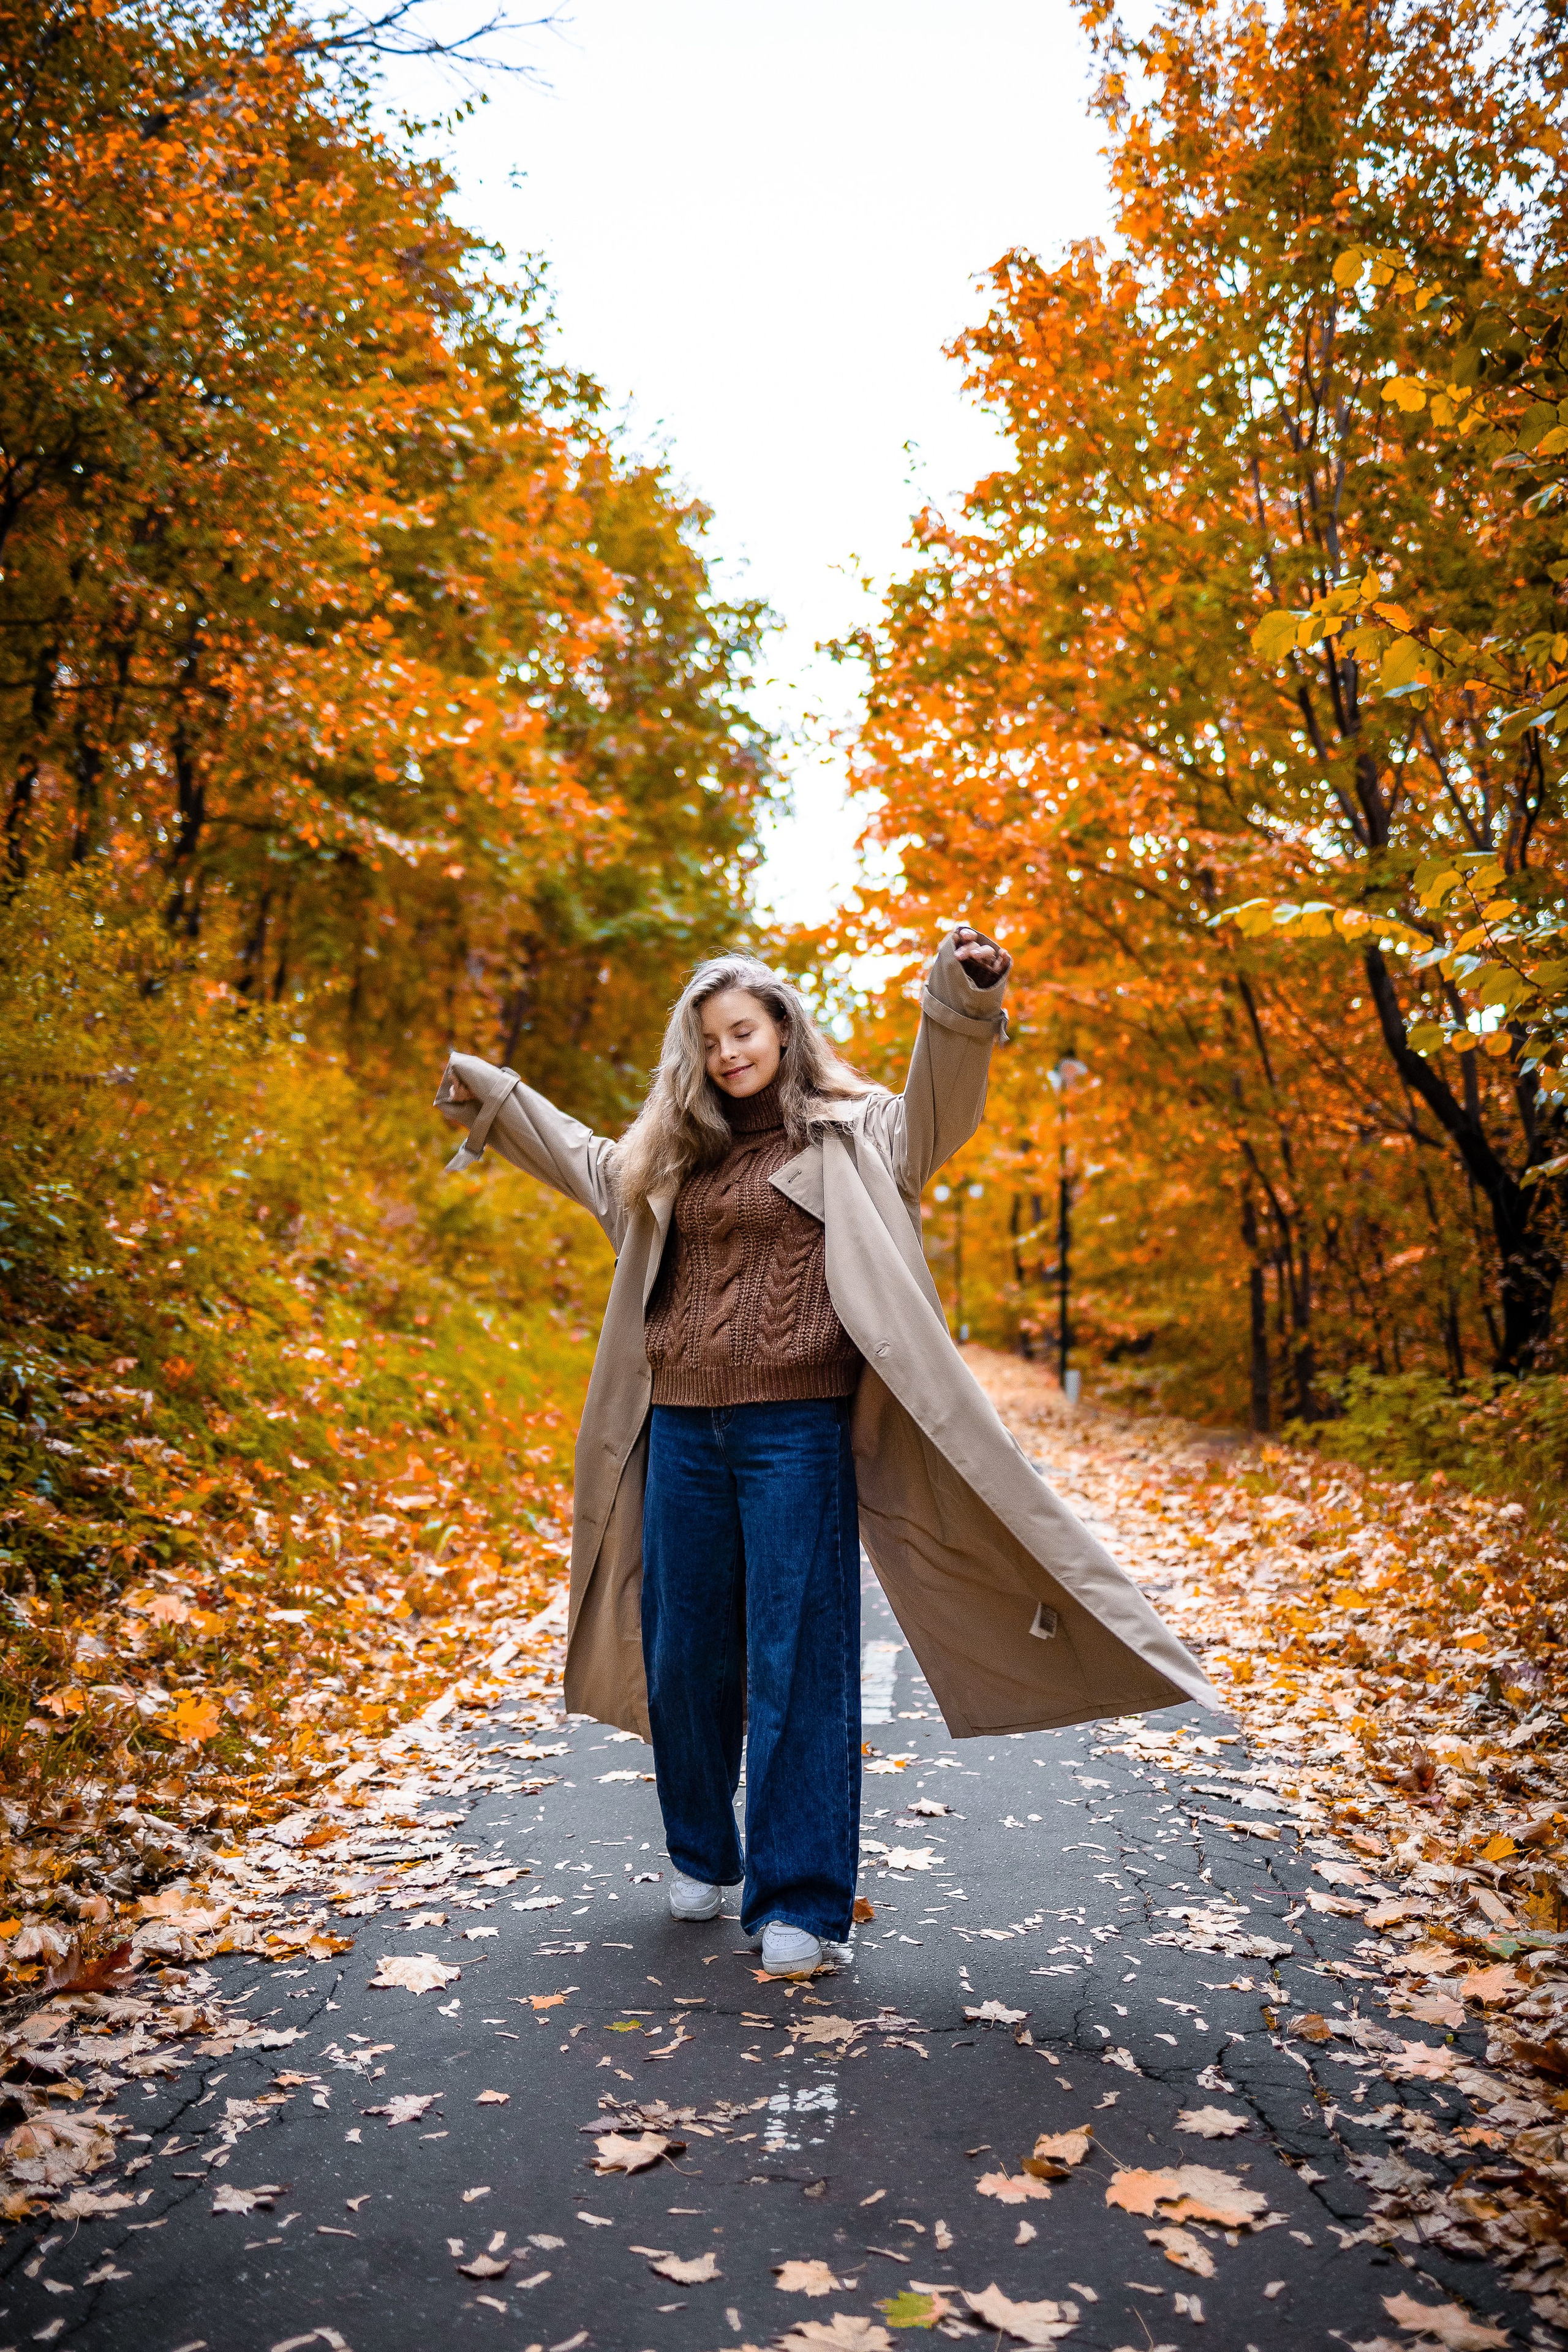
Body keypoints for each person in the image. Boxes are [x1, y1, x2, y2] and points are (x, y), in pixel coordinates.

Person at [435, 925, 1213, 1978]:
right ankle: (703, 1853)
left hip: (794, 1432)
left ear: (783, 1030)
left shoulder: (857, 1136)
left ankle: (800, 1899)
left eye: (743, 1030)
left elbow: (941, 1103)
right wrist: (495, 1098)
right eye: (708, 1040)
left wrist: (961, 996)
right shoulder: (672, 1155)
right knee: (683, 1654)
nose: (726, 1054)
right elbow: (583, 1160)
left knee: (796, 1658)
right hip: (679, 1431)